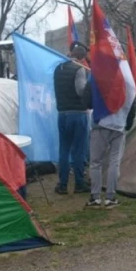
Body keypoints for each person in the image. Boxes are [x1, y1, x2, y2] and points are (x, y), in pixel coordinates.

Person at [82, 80, 136, 209]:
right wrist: (128, 123)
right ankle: (110, 197)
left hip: (99, 124)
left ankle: (95, 197)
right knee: (114, 161)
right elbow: (133, 102)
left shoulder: (96, 78)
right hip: (119, 125)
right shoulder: (126, 79)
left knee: (96, 161)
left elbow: (87, 102)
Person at [52, 44, 90, 195]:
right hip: (78, 114)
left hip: (62, 113)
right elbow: (80, 90)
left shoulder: (58, 69)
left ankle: (62, 184)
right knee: (79, 150)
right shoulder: (79, 69)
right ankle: (79, 183)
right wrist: (90, 89)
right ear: (81, 58)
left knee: (64, 150)